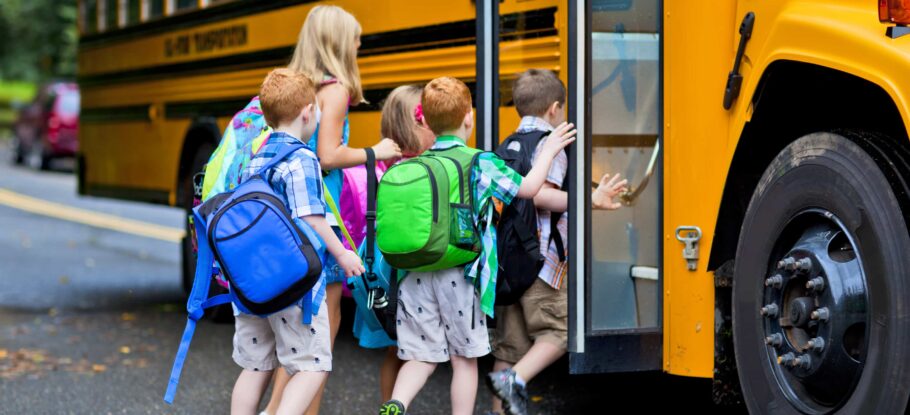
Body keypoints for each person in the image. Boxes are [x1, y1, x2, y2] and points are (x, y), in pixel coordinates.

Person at [379, 77, 577, 415]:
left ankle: (396, 404)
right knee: (465, 361)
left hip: (414, 275)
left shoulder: (415, 164)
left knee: (420, 358)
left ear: (425, 120)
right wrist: (549, 150)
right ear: (468, 117)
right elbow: (529, 188)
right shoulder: (479, 162)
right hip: (460, 276)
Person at [262, 6, 403, 415]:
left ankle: (275, 408)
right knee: (321, 330)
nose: (360, 45)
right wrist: (375, 151)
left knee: (296, 329)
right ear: (339, 43)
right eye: (356, 39)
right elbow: (326, 155)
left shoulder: (301, 87)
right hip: (322, 213)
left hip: (289, 213)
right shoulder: (335, 89)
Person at [485, 69, 628, 415]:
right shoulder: (553, 144)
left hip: (508, 262)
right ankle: (514, 380)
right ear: (554, 108)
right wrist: (591, 199)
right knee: (562, 330)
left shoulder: (506, 145)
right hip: (541, 264)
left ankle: (501, 401)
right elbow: (541, 196)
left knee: (508, 349)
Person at [231, 68, 365, 415]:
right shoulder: (302, 157)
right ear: (308, 112)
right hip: (293, 281)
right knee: (313, 365)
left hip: (252, 281)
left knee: (255, 365)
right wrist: (343, 253)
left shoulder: (253, 155)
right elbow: (310, 217)